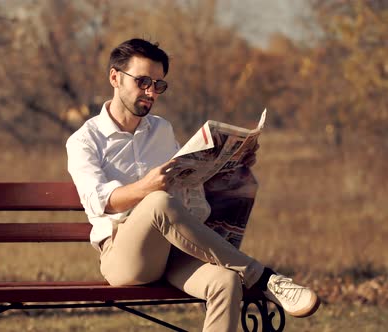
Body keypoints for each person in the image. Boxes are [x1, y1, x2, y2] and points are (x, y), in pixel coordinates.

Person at [66, 38, 320, 331]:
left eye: (158, 85)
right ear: (114, 77)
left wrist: (231, 167)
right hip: (125, 258)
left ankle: (253, 276)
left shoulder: (161, 130)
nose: (151, 92)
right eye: (143, 81)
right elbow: (100, 201)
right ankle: (263, 277)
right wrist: (147, 187)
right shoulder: (85, 141)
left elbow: (187, 182)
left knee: (224, 281)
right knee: (157, 201)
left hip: (175, 251)